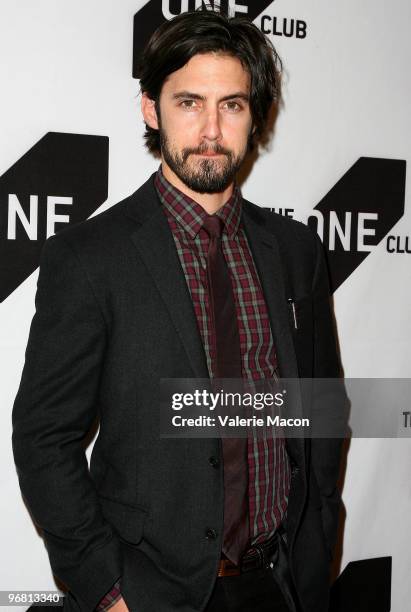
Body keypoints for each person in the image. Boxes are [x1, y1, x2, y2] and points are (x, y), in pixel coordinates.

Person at [12, 10, 346, 612]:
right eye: (190, 103)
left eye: (233, 105)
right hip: (151, 589)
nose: (212, 129)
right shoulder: (92, 257)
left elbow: (323, 409)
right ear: (151, 109)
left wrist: (318, 545)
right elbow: (44, 438)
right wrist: (108, 590)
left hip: (282, 585)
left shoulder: (295, 252)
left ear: (255, 116)